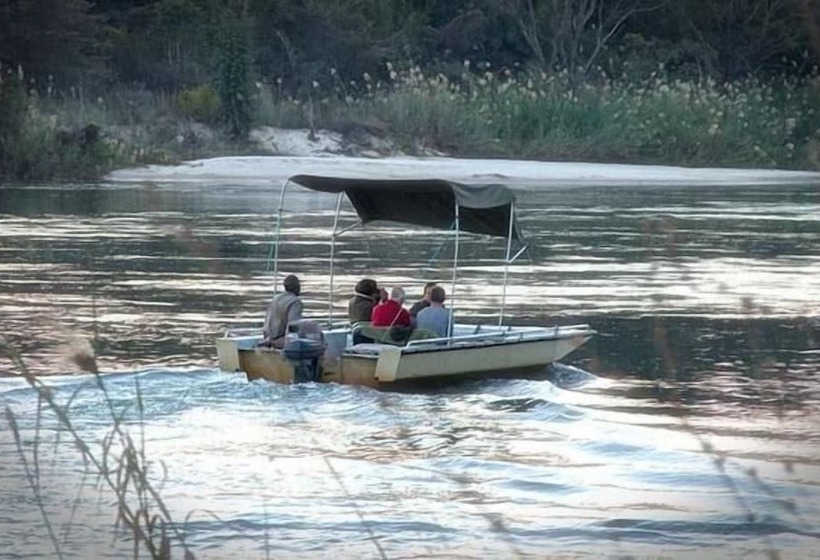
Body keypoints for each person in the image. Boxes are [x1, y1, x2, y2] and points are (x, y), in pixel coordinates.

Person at [262, 274, 304, 348]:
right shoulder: (295, 302)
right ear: (297, 287)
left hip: (266, 338)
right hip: (279, 341)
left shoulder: (276, 298)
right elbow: (293, 326)